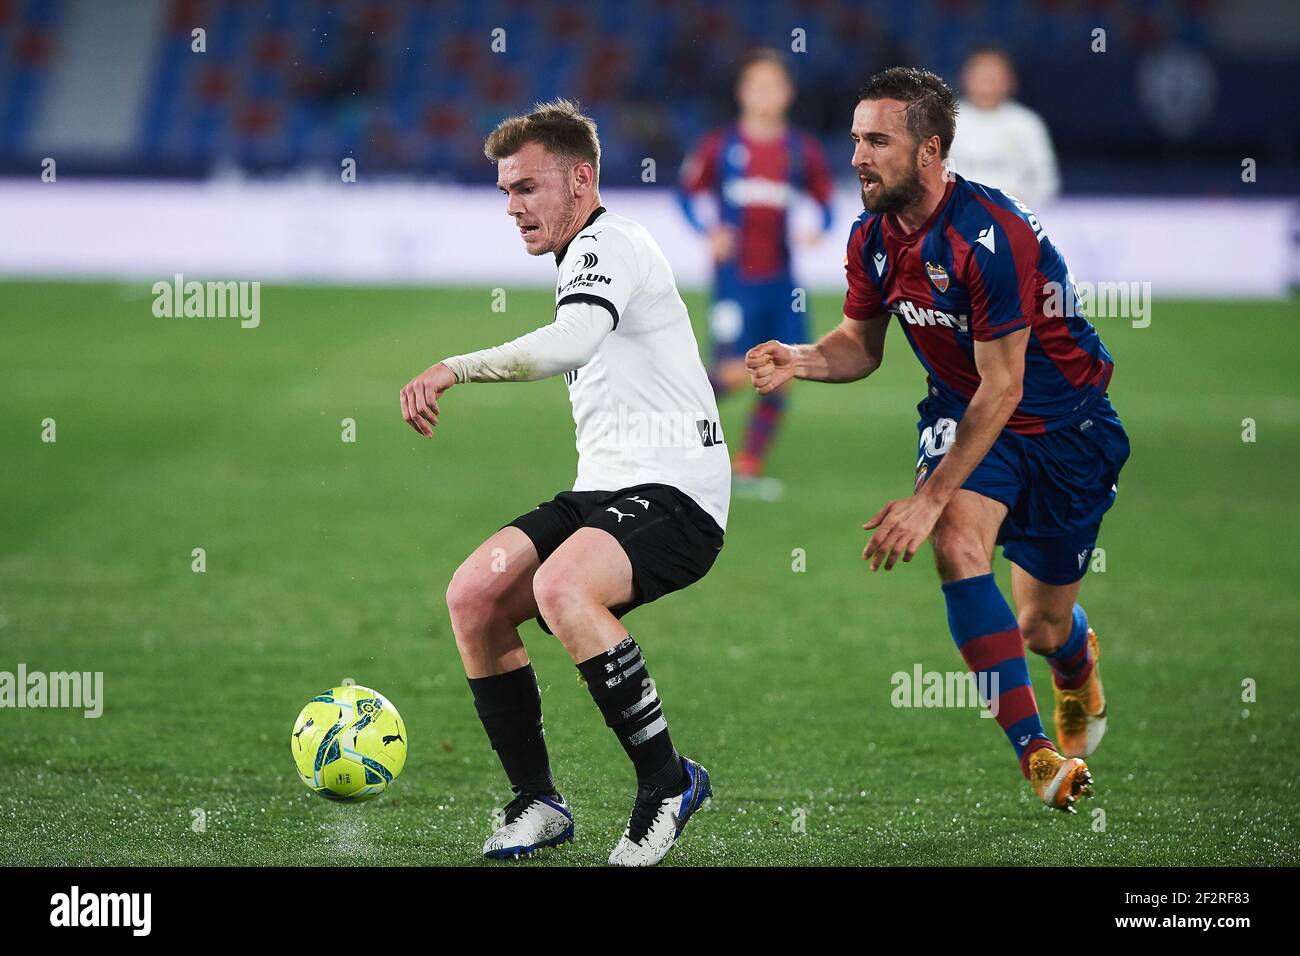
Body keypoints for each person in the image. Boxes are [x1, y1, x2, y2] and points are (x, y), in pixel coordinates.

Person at [746, 68, 1127, 812]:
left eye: (878, 140)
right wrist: (802, 359)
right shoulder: (871, 237)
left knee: (1041, 625)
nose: (858, 155)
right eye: (855, 138)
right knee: (957, 542)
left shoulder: (993, 236)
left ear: (931, 149)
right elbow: (860, 344)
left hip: (1065, 429)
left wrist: (926, 499)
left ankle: (1076, 661)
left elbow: (1007, 385)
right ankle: (1036, 754)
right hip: (964, 410)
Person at [399, 99, 729, 866]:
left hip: (678, 492)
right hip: (607, 487)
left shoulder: (609, 242)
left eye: (528, 188)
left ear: (582, 179)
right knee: (474, 597)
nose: (513, 207)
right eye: (506, 192)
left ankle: (667, 784)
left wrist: (454, 367)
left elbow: (572, 342)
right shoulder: (584, 251)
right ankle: (539, 802)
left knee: (561, 588)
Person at [678, 48, 835, 499]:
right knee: (731, 370)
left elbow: (825, 201)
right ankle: (673, 433)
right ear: (742, 92)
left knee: (784, 368)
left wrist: (818, 228)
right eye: (757, 85)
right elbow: (686, 194)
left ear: (788, 93)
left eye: (774, 85)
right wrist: (707, 231)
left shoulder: (801, 151)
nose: (765, 94)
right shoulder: (721, 146)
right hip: (735, 281)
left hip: (783, 284)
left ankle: (746, 464)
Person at [948, 47, 1060, 207]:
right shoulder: (945, 120)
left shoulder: (1026, 123)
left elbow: (1046, 179)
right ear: (965, 78)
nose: (987, 80)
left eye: (994, 74)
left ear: (1010, 81)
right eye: (981, 74)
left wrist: (1021, 204)